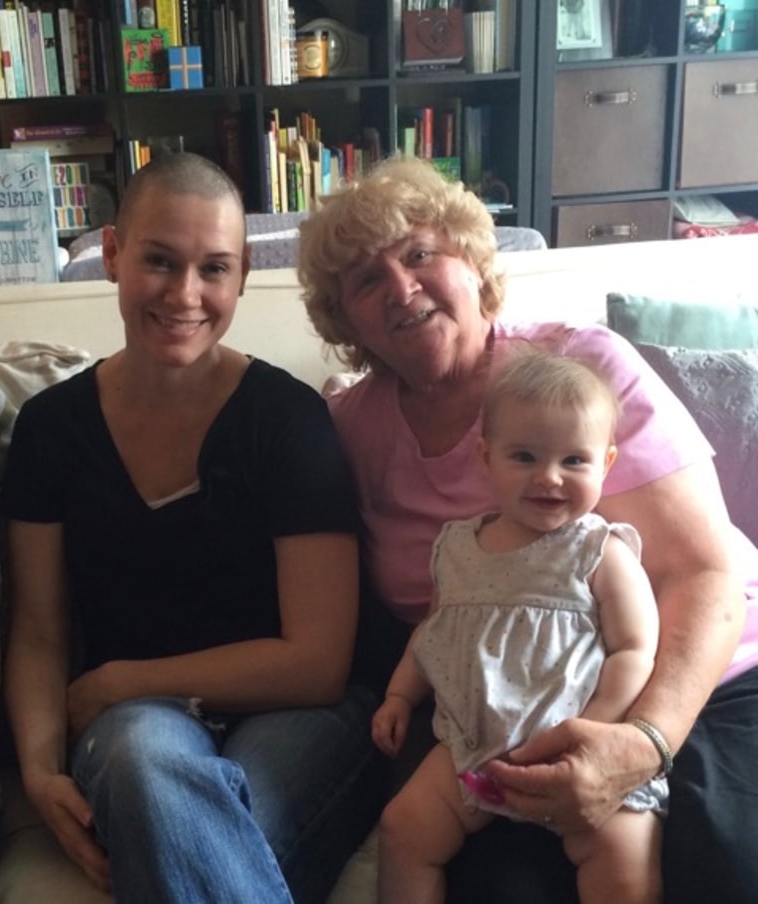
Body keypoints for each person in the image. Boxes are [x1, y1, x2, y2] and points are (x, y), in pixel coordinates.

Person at [297, 155, 758, 903]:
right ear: (345, 318)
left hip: (699, 680)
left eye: (419, 254)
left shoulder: (580, 368)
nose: (402, 290)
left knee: (727, 867)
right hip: (501, 713)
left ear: (473, 262)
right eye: (366, 280)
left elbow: (705, 574)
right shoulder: (348, 429)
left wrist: (640, 742)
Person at [1, 152, 381, 904]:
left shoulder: (287, 421)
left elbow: (318, 661)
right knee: (151, 773)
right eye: (159, 261)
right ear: (112, 253)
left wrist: (121, 680)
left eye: (214, 268)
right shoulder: (50, 431)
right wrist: (42, 772)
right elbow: (39, 632)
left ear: (241, 276)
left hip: (298, 712)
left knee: (196, 825)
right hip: (140, 731)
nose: (186, 294)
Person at [372, 351, 665, 904]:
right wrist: (397, 696)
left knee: (623, 855)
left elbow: (635, 648)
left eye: (574, 461)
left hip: (577, 744)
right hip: (473, 742)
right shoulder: (457, 546)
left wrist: (595, 731)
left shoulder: (599, 549)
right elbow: (432, 633)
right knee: (403, 828)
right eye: (525, 456)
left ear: (605, 464)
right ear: (486, 458)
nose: (549, 477)